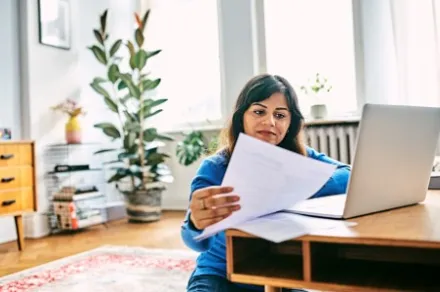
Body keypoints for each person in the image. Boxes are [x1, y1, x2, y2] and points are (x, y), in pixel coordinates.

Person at [181, 74, 351, 291]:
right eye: (259, 111)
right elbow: (195, 242)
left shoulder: (301, 158)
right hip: (221, 275)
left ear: (291, 123)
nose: (270, 122)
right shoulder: (215, 167)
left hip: (281, 272)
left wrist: (294, 184)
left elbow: (347, 175)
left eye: (280, 115)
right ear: (241, 116)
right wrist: (195, 221)